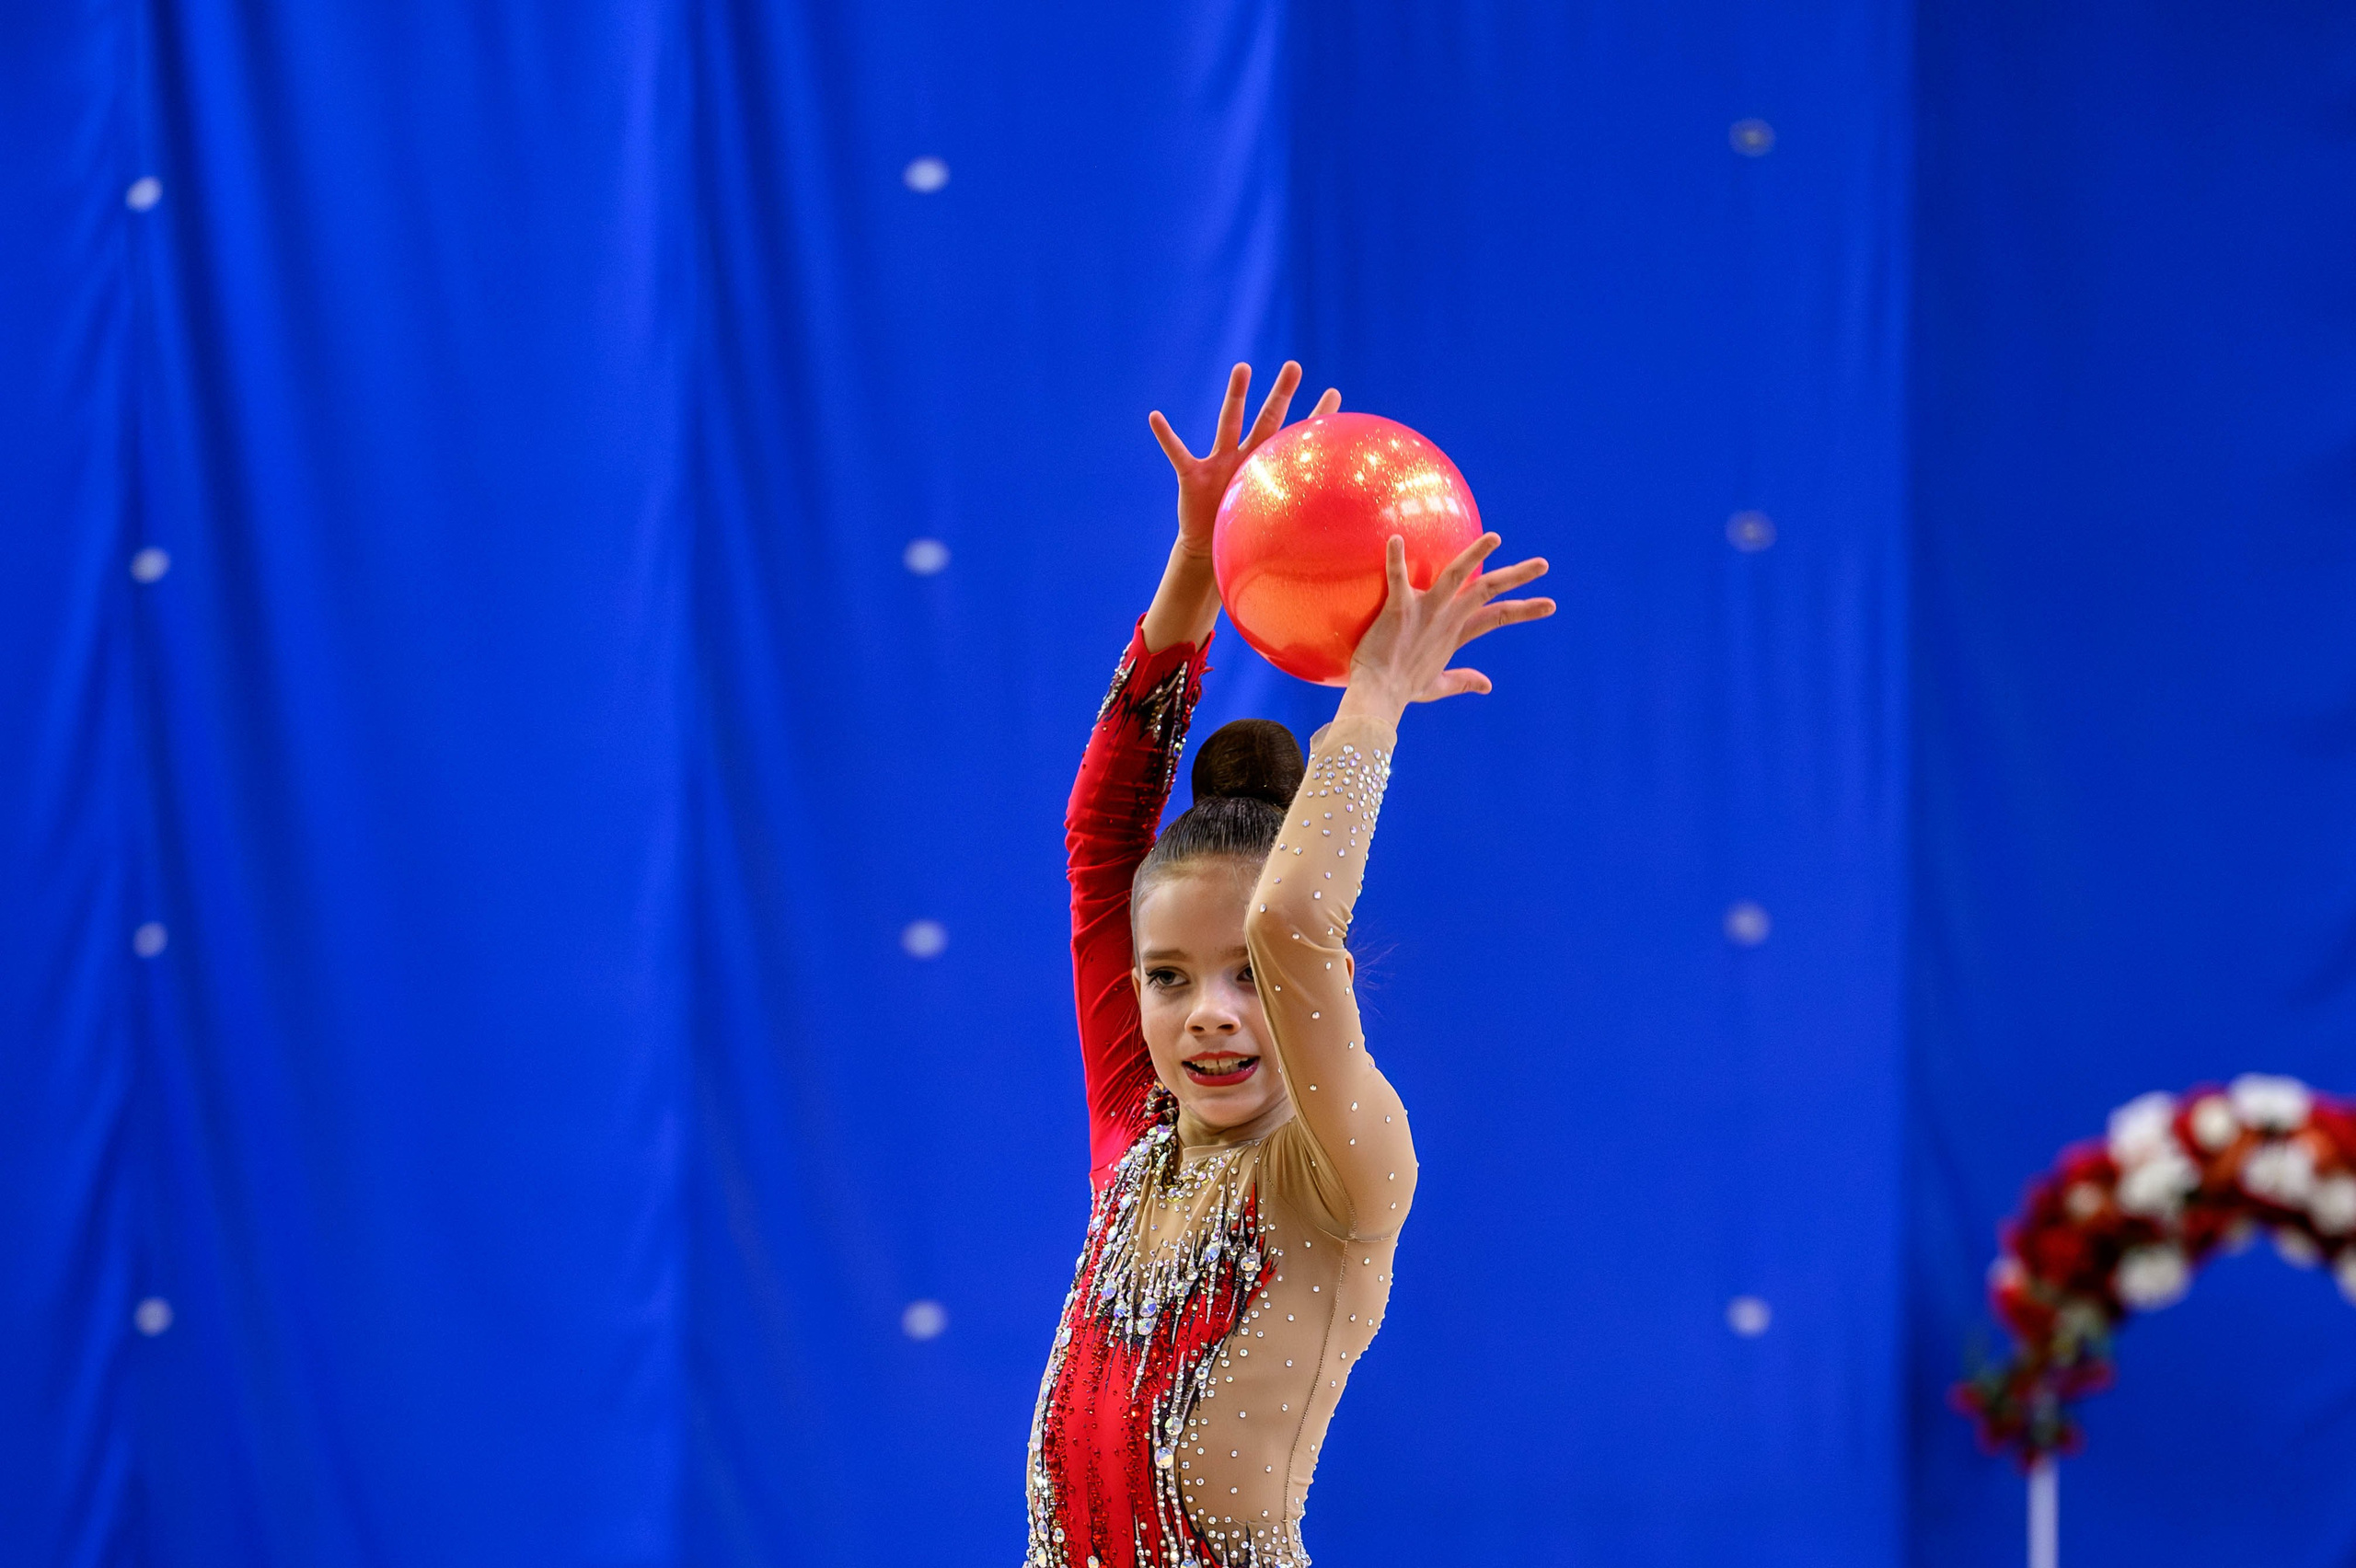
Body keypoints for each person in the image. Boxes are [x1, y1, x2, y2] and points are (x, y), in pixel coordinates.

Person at [1024, 362, 1553, 1568]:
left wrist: (1371, 702)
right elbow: (1105, 833)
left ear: (1323, 992)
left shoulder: (1337, 1175)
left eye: (1247, 984)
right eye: (1167, 978)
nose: (1206, 1016)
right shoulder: (1137, 1137)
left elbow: (1291, 924)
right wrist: (1200, 569)